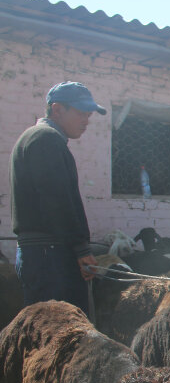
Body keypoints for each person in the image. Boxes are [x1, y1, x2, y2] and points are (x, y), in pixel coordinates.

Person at [10, 81, 105, 314]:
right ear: (57, 109)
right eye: (81, 113)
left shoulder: (41, 138)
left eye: (89, 115)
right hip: (49, 254)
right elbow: (57, 200)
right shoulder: (46, 139)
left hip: (43, 252)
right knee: (63, 334)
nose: (86, 121)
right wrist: (81, 249)